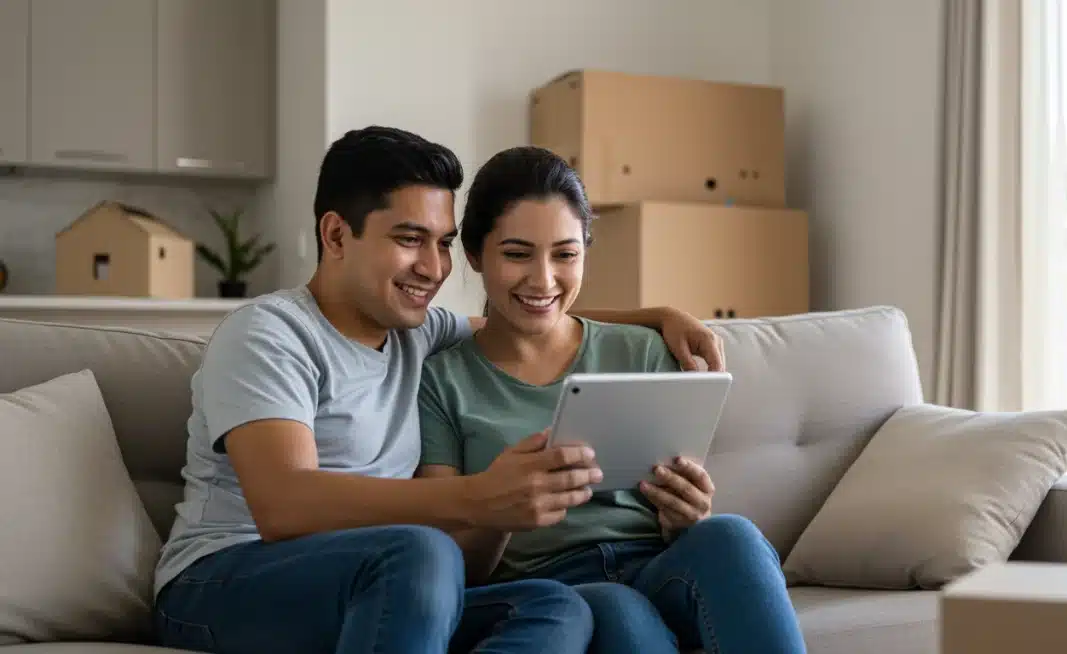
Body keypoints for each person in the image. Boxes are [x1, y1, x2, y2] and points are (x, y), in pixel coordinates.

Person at [151, 127, 726, 654]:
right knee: (423, 549)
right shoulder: (270, 334)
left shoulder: (417, 330)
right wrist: (479, 498)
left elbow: (525, 311)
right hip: (222, 580)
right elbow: (285, 506)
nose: (433, 268)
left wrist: (658, 314)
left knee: (556, 606)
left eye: (444, 243)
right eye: (409, 239)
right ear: (335, 234)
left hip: (386, 578)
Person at [415, 146, 809, 654]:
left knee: (733, 536)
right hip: (554, 585)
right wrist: (501, 510)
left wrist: (688, 513)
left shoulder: (644, 348)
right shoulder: (442, 381)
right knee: (617, 609)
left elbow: (680, 500)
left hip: (659, 563)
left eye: (565, 254)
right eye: (517, 254)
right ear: (474, 254)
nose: (543, 279)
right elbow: (454, 566)